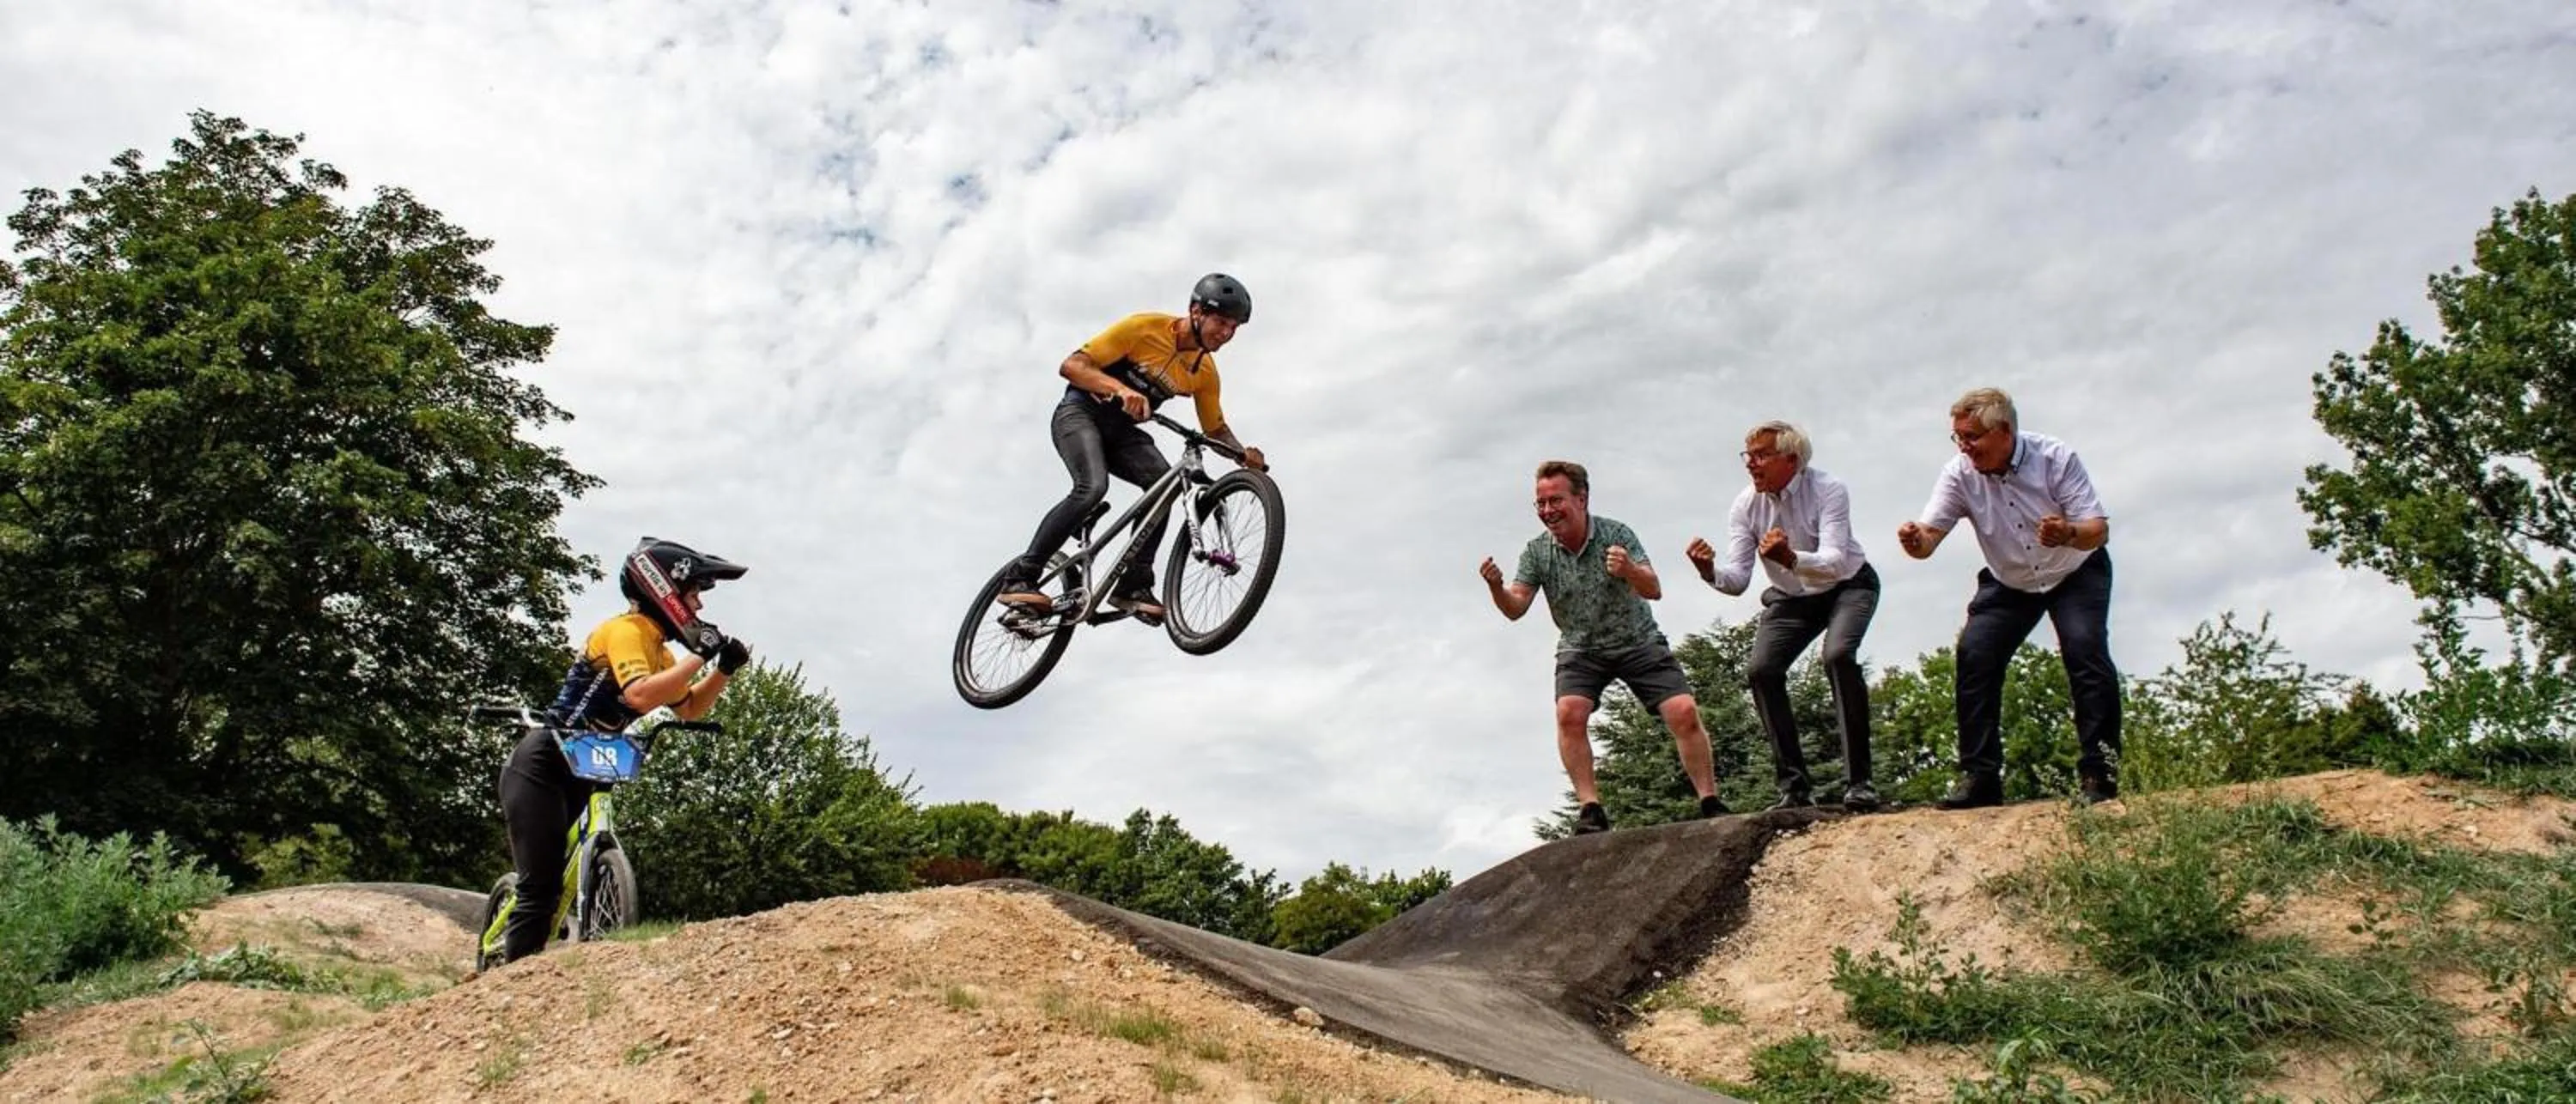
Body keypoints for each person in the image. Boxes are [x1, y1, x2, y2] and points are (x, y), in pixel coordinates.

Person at [495, 537, 752, 964]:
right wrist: (701, 656)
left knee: (553, 878)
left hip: (582, 763)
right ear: (665, 591)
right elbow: (638, 696)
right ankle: (503, 989)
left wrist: (723, 669)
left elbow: (687, 707)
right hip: (543, 760)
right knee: (539, 888)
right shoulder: (626, 631)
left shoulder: (659, 651)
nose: (699, 608)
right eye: (694, 595)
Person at [993, 274, 1269, 622]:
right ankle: (1021, 577)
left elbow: (1215, 428)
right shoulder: (1144, 328)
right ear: (1196, 311)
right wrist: (1120, 390)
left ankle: (1132, 586)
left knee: (1163, 489)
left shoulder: (1205, 373)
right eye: (1221, 322)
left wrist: (1244, 456)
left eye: (1234, 328)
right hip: (1080, 414)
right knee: (1091, 487)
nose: (1226, 334)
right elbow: (1072, 366)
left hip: (1124, 434)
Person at [1895, 387, 2119, 810]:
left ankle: (2099, 775)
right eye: (1958, 437)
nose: (1965, 447)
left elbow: (2098, 529)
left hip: (2075, 569)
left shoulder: (2055, 457)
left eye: (1973, 436)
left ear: (2004, 431)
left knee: (2084, 649)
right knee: (1975, 652)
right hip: (2010, 578)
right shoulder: (1958, 473)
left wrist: (2068, 532)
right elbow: (1929, 540)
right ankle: (1980, 778)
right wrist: (1915, 541)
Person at [1481, 460, 1728, 834]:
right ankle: (1591, 809)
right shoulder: (1537, 553)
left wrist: (1629, 569)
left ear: (1581, 499)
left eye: (1556, 500)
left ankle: (1710, 801)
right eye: (1541, 503)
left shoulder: (1617, 534)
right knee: (1569, 712)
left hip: (1636, 639)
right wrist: (1496, 588)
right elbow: (1516, 607)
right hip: (1581, 647)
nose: (1548, 511)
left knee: (1683, 710)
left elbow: (1653, 589)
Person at [1685, 421, 1883, 813]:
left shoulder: (1829, 489)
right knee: (1762, 670)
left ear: (1792, 459)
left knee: (1839, 656)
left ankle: (1860, 783)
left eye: (1761, 456)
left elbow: (1834, 560)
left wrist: (1791, 558)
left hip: (1848, 585)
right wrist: (1708, 571)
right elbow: (1739, 579)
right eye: (1748, 456)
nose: (1751, 464)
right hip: (1792, 599)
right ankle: (1794, 787)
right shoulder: (1746, 505)